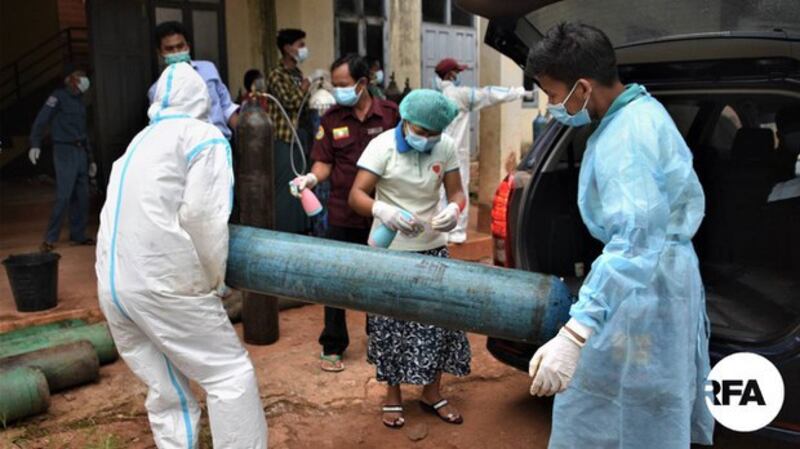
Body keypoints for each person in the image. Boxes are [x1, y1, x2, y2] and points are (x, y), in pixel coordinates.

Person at [525, 23, 713, 449]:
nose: (553, 105)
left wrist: (575, 333)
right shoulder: (638, 112)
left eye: (554, 94)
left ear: (583, 87)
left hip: (646, 286)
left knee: (621, 401)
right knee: (635, 396)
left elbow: (633, 242)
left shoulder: (628, 136)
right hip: (650, 279)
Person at [95, 62, 267, 449]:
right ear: (203, 100)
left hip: (113, 285)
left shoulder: (136, 142)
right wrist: (211, 281)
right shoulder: (202, 137)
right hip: (164, 282)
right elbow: (203, 217)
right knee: (229, 375)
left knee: (168, 389)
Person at [349, 89, 468, 429]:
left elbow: (457, 191)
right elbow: (356, 195)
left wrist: (453, 209)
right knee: (391, 325)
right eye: (422, 131)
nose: (428, 139)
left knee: (439, 321)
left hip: (432, 245)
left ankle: (432, 392)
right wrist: (381, 209)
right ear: (405, 119)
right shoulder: (382, 146)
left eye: (434, 133)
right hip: (391, 250)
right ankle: (393, 395)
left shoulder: (443, 146)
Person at [292, 54, 400, 372]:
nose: (337, 91)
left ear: (362, 83)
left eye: (342, 85)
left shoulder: (391, 115)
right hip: (341, 211)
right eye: (334, 85)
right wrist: (310, 178)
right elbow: (324, 163)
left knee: (378, 278)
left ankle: (378, 338)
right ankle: (333, 343)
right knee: (336, 279)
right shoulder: (332, 119)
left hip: (382, 212)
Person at [433, 57, 531, 243]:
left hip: (436, 151)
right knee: (458, 189)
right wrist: (517, 92)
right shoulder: (460, 95)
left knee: (439, 191)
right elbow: (489, 94)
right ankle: (457, 232)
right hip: (456, 153)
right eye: (457, 73)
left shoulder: (434, 95)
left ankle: (440, 231)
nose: (459, 76)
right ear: (450, 75)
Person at [28, 64, 96, 252]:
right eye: (80, 76)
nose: (84, 80)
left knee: (82, 196)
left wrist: (90, 159)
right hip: (64, 150)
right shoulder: (58, 97)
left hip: (80, 150)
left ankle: (79, 235)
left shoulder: (80, 102)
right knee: (64, 196)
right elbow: (41, 120)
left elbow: (83, 132)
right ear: (71, 80)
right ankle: (50, 238)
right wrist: (35, 143)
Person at [148, 21, 239, 140]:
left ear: (188, 46)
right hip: (191, 151)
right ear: (160, 52)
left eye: (180, 46)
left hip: (222, 142)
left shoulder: (208, 69)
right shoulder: (157, 90)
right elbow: (162, 128)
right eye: (169, 49)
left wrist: (245, 136)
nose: (176, 52)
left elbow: (226, 107)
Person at [266, 28, 312, 233]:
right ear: (287, 48)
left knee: (300, 184)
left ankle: (301, 228)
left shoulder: (297, 74)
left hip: (300, 136)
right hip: (283, 137)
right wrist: (303, 88)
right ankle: (285, 230)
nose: (304, 49)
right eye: (300, 45)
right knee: (286, 187)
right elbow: (290, 102)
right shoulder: (277, 75)